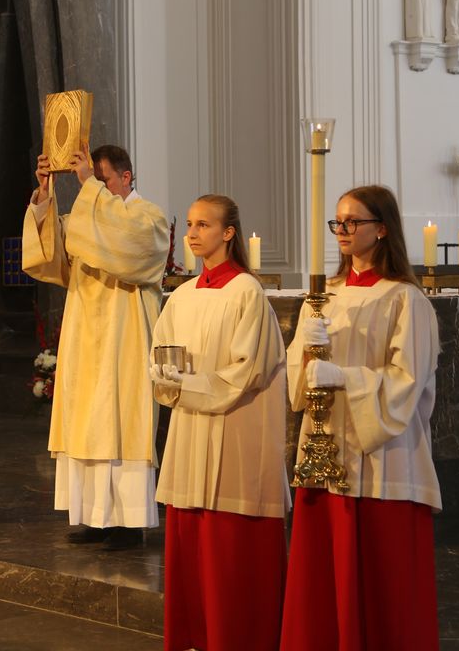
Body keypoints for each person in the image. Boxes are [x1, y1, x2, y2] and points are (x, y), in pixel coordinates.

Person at [280, 185, 442, 651]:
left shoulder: (405, 300)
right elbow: (299, 377)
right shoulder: (323, 296)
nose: (342, 231)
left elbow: (407, 381)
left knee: (380, 578)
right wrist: (304, 353)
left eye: (353, 222)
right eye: (338, 222)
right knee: (323, 577)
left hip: (381, 457)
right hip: (326, 449)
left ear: (383, 228)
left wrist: (343, 377)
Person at [149, 195, 289, 651]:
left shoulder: (247, 292)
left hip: (234, 431)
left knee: (230, 551)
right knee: (193, 542)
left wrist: (185, 387)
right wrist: (164, 379)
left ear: (228, 233)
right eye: (189, 224)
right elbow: (161, 354)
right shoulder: (182, 295)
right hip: (191, 434)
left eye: (203, 225)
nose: (192, 233)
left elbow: (247, 371)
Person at [22, 143, 169, 550]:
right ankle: (94, 517)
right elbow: (48, 257)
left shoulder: (148, 217)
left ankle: (127, 524)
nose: (96, 188)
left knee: (120, 424)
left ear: (126, 177)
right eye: (93, 180)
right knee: (86, 424)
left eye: (103, 180)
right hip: (86, 336)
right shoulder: (89, 218)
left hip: (125, 336)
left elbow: (127, 249)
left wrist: (87, 184)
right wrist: (46, 195)